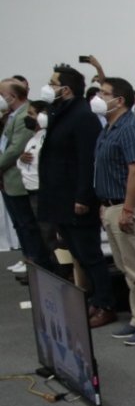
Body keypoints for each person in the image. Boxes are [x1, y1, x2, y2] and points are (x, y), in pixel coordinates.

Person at [36, 65, 112, 326]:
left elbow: (86, 162)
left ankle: (106, 303)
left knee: (90, 254)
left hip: (76, 200)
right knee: (78, 254)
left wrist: (83, 197)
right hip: (59, 198)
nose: (48, 87)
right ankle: (94, 299)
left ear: (65, 89)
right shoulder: (60, 113)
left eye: (52, 83)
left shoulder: (82, 116)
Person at [93, 77, 135, 346]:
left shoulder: (130, 128)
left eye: (104, 93)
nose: (99, 97)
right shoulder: (110, 127)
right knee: (126, 268)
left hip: (131, 206)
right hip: (112, 205)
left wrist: (128, 209)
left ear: (119, 100)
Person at [0, 79, 49, 269]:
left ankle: (36, 261)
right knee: (20, 224)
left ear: (12, 96)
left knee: (29, 225)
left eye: (2, 93)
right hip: (9, 177)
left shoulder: (23, 117)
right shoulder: (10, 116)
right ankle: (28, 258)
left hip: (19, 180)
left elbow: (14, 150)